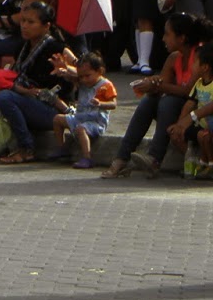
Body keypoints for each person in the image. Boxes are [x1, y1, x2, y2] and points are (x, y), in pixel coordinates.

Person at [102, 14, 213, 178]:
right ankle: (121, 159)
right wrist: (152, 84)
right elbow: (163, 84)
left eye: (167, 34)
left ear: (181, 38)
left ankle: (154, 158)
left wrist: (159, 86)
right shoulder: (174, 58)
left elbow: (189, 91)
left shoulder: (199, 58)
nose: (163, 39)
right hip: (182, 109)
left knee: (168, 102)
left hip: (197, 109)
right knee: (149, 101)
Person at [0, 1, 72, 165]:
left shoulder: (57, 49)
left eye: (31, 22)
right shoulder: (22, 47)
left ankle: (26, 148)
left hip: (53, 109)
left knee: (5, 97)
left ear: (46, 26)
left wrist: (67, 70)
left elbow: (81, 72)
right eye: (23, 21)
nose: (24, 26)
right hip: (28, 100)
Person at [49, 50, 116, 169]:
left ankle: (87, 157)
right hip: (80, 117)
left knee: (81, 129)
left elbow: (113, 104)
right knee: (57, 119)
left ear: (100, 71)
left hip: (96, 121)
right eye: (81, 76)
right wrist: (63, 70)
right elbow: (71, 77)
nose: (84, 80)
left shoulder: (105, 85)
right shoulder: (82, 82)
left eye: (87, 76)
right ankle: (62, 148)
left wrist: (101, 104)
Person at [168, 42, 213, 178]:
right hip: (202, 124)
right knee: (181, 132)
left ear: (204, 67)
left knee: (205, 136)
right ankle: (197, 162)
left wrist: (191, 117)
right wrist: (179, 125)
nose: (191, 66)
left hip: (210, 125)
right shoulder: (198, 84)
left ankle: (209, 164)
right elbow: (189, 104)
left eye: (194, 63)